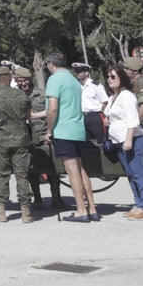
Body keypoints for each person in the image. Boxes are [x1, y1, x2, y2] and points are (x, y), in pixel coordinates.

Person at [44, 51, 98, 222]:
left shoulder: (54, 79)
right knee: (80, 169)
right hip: (76, 129)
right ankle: (92, 208)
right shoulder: (73, 80)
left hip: (63, 130)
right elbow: (63, 106)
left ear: (50, 64)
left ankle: (81, 211)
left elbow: (53, 109)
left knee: (71, 171)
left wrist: (49, 131)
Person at [0, 65, 33, 222]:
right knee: (22, 175)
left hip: (0, 141)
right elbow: (28, 116)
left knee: (1, 175)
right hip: (21, 141)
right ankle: (26, 213)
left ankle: (1, 212)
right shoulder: (22, 95)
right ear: (8, 78)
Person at [103, 64, 143, 219]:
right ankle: (137, 204)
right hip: (118, 141)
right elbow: (113, 115)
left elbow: (133, 120)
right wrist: (107, 121)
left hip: (131, 140)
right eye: (108, 76)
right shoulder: (113, 97)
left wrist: (129, 139)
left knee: (138, 173)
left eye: (113, 77)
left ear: (121, 78)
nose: (109, 79)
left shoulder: (127, 96)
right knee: (130, 174)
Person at [15, 67, 63, 209]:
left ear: (31, 80)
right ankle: (37, 199)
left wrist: (35, 115)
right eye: (20, 81)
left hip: (43, 134)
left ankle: (57, 198)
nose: (23, 84)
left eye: (25, 81)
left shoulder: (42, 94)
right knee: (31, 170)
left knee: (52, 169)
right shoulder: (16, 95)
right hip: (25, 137)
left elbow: (52, 109)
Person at [73, 62, 108, 145]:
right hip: (82, 117)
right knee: (86, 144)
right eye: (76, 71)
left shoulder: (96, 85)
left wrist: (106, 116)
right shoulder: (76, 86)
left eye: (79, 71)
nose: (77, 73)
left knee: (101, 142)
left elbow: (105, 102)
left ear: (86, 72)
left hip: (95, 117)